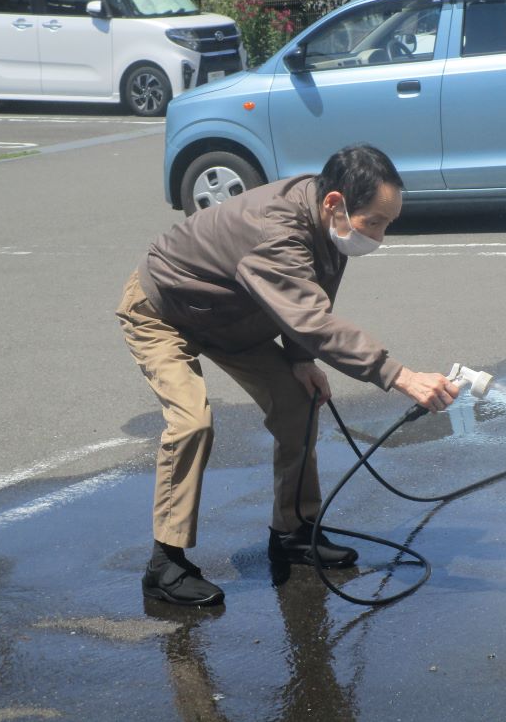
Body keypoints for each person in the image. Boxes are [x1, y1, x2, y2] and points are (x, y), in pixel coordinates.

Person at [116, 144, 459, 607]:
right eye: (374, 222)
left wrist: (300, 360)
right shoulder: (274, 232)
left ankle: (293, 531)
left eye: (387, 224)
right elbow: (311, 319)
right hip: (165, 309)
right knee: (192, 423)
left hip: (232, 315)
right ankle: (165, 563)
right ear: (335, 202)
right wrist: (399, 375)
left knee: (301, 403)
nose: (379, 236)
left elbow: (314, 295)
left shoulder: (324, 219)